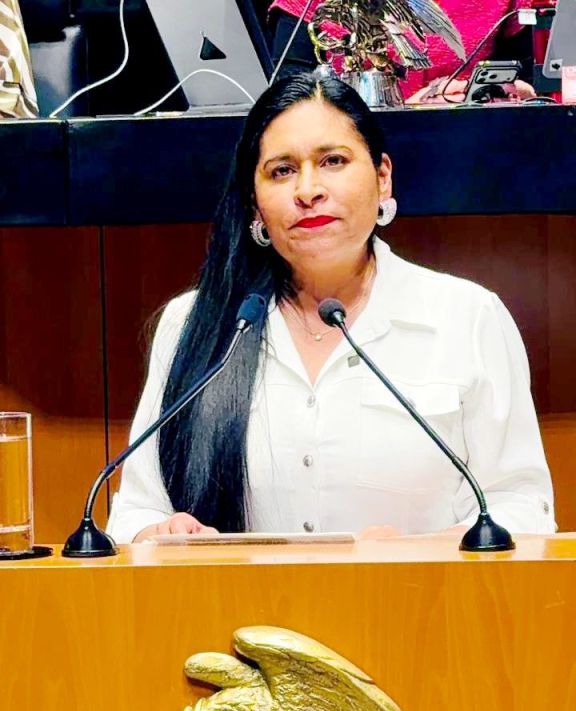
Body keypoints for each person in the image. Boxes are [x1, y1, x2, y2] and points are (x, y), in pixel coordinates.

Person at [107, 71, 554, 543]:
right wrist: (162, 532)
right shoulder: (195, 323)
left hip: (416, 591)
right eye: (282, 170)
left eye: (333, 161)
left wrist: (422, 549)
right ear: (255, 204)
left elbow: (523, 506)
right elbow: (135, 510)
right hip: (233, 594)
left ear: (382, 178)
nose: (308, 190)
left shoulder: (466, 316)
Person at [267, 0, 534, 101]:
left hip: (472, 153)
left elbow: (525, 79)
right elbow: (289, 106)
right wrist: (411, 110)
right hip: (348, 163)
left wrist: (511, 95)